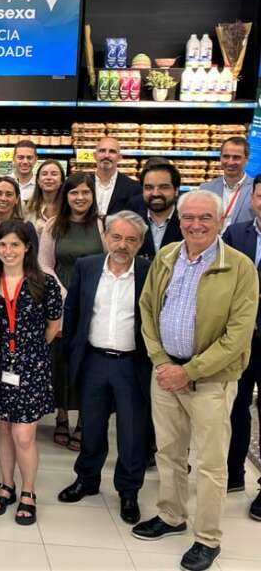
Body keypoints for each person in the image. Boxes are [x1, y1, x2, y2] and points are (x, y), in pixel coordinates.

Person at [134, 189, 258, 571]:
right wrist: (161, 361)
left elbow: (237, 336)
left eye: (205, 217)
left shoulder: (238, 267)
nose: (196, 224)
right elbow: (148, 309)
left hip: (211, 381)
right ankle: (171, 515)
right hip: (165, 374)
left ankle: (207, 537)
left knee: (209, 462)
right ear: (180, 220)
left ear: (220, 221)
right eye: (188, 217)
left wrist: (188, 371)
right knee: (169, 452)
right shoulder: (168, 256)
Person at [58, 211, 151, 526]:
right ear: (106, 236)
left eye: (131, 239)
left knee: (131, 433)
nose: (123, 245)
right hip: (94, 361)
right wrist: (73, 355)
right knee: (92, 427)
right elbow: (72, 313)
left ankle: (128, 491)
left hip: (131, 364)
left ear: (140, 243)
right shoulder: (87, 267)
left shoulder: (148, 271)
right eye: (117, 237)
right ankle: (87, 479)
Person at [0, 220, 62, 526]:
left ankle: (28, 491)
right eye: (3, 244)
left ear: (28, 247)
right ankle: (6, 484)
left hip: (31, 369)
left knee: (23, 434)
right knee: (2, 427)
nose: (8, 250)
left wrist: (28, 352)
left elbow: (54, 326)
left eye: (15, 244)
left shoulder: (44, 282)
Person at [39, 173, 104, 451]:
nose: (80, 198)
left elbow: (107, 262)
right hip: (60, 300)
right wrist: (66, 294)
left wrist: (84, 295)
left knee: (87, 362)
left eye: (85, 193)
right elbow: (44, 264)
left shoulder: (102, 226)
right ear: (66, 196)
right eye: (74, 193)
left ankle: (84, 422)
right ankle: (62, 416)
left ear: (93, 196)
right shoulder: (54, 226)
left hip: (94, 303)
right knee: (61, 360)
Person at [220, 176, 261, 517]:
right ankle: (233, 472)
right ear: (254, 198)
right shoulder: (237, 234)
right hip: (240, 336)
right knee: (235, 406)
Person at [128, 161, 182, 259]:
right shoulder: (131, 222)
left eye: (163, 187)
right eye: (149, 187)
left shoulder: (187, 223)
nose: (155, 193)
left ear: (176, 191)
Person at [201, 136, 252, 231]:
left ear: (246, 159)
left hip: (241, 245)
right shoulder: (206, 189)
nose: (230, 162)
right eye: (226, 156)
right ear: (220, 157)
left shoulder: (256, 190)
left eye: (236, 157)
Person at [94, 137, 141, 217]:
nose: (106, 155)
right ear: (95, 155)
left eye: (112, 151)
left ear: (119, 157)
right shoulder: (83, 184)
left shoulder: (134, 188)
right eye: (102, 151)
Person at [24, 160, 64, 236]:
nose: (48, 178)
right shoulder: (28, 207)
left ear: (61, 180)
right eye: (44, 174)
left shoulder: (68, 207)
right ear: (38, 181)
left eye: (54, 174)